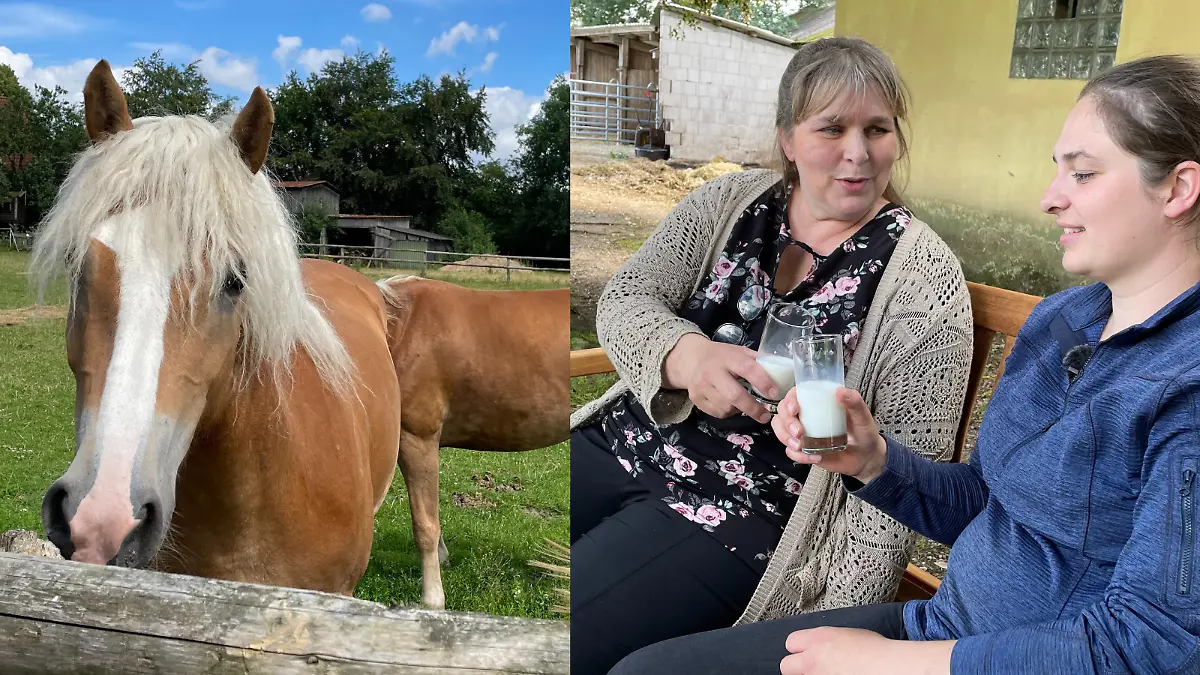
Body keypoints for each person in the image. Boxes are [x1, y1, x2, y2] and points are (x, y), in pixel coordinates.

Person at [608, 53, 1200, 675]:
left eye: (1082, 175)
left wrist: (893, 664)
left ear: (1178, 189)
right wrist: (874, 462)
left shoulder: (1183, 385)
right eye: (1058, 171)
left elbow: (1152, 646)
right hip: (941, 630)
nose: (1049, 199)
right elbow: (988, 504)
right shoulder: (1066, 321)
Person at [570, 37, 974, 674]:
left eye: (878, 129)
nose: (858, 152)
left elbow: (890, 498)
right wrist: (684, 356)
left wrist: (831, 627)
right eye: (831, 128)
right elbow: (626, 297)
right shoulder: (728, 203)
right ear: (788, 138)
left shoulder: (924, 286)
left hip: (739, 515)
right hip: (626, 438)